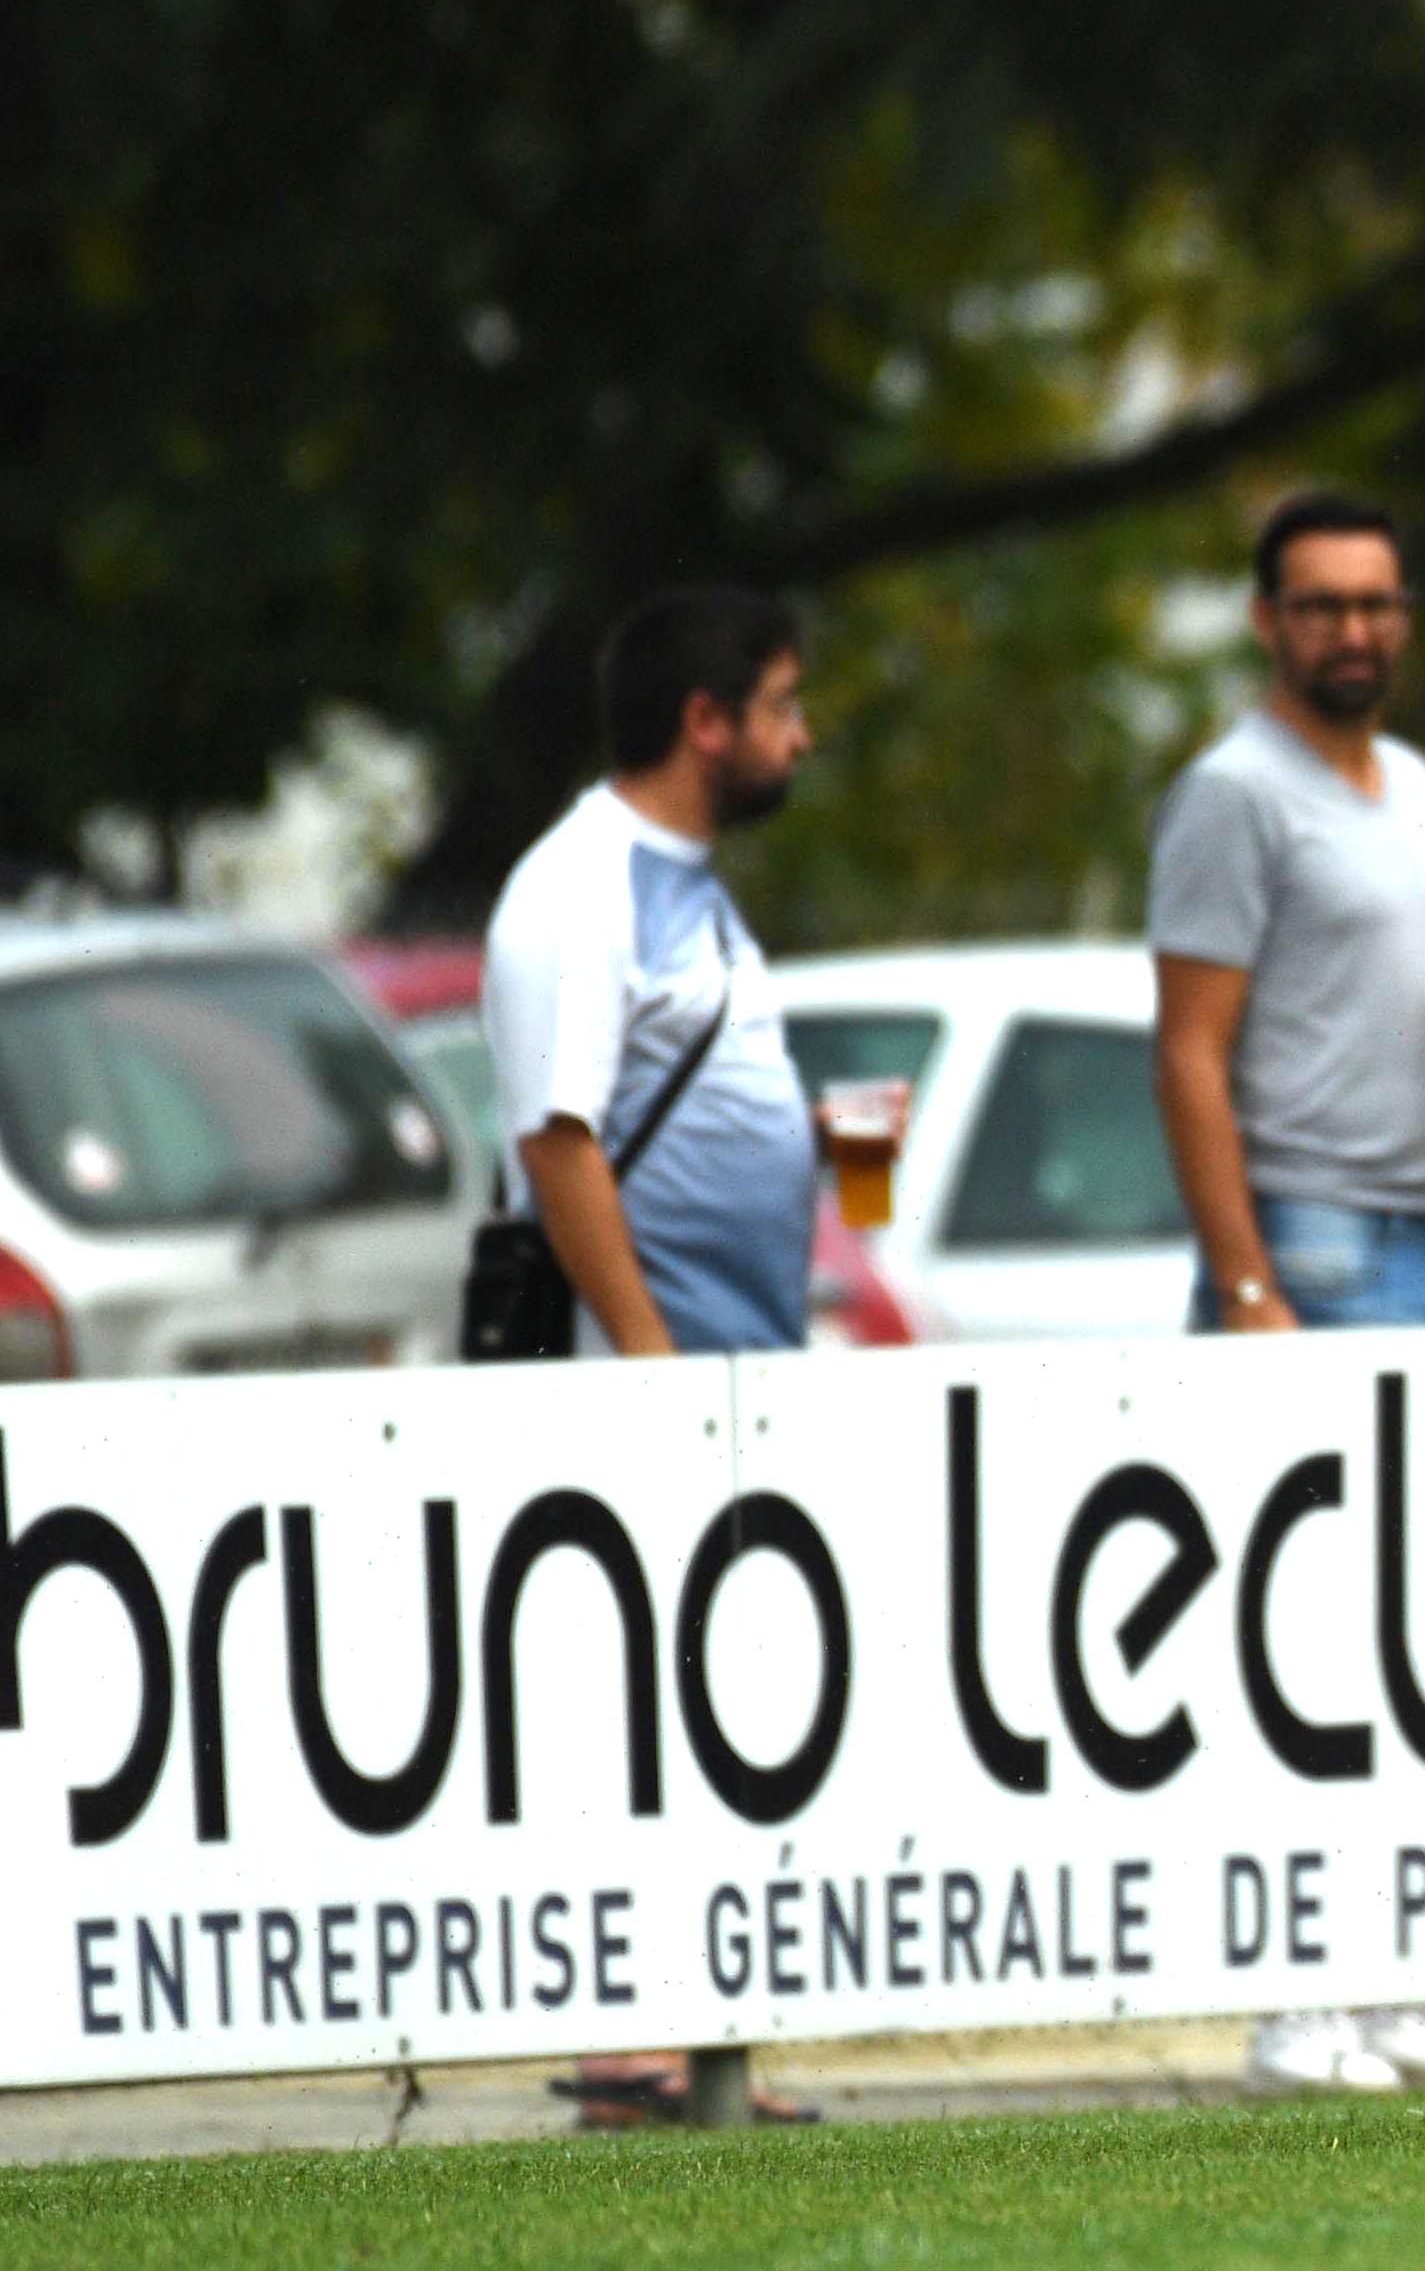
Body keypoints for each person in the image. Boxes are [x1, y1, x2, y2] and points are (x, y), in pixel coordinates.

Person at [1146, 486, 1425, 2097]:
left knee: (1408, 1630)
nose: (1353, 632)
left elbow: (1387, 999)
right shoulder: (1230, 796)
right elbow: (1187, 1046)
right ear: (1268, 621)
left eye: (1376, 603)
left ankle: (1385, 1988)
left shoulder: (1417, 788)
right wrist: (1243, 1275)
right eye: (1320, 605)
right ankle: (1294, 2003)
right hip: (1311, 1235)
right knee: (1305, 1627)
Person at [479, 583, 824, 2127]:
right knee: (634, 1699)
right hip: (651, 1378)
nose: (799, 735)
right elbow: (558, 1140)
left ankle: (710, 2037)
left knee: (720, 1700)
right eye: (784, 704)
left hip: (724, 1365)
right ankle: (636, 2044)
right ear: (708, 722)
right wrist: (646, 1351)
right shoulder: (582, 884)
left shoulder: (683, 883)